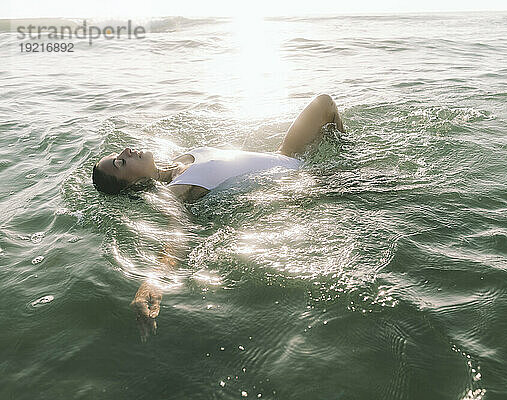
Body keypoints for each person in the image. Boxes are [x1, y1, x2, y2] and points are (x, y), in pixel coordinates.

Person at [91, 94, 345, 341]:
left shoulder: (178, 161)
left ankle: (346, 153)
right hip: (309, 182)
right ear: (133, 185)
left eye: (118, 155)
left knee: (324, 103)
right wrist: (153, 281)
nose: (125, 151)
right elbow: (176, 235)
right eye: (120, 163)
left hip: (286, 156)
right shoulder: (176, 192)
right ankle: (345, 165)